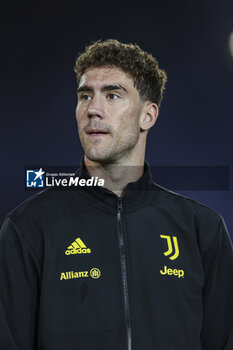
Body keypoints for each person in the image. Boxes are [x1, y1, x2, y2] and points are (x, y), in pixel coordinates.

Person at [0, 39, 233, 350]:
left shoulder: (202, 230)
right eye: (85, 96)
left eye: (112, 95)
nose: (93, 109)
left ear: (147, 116)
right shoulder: (27, 228)